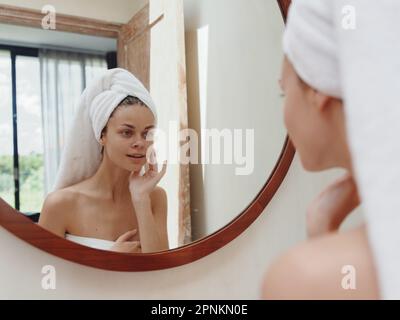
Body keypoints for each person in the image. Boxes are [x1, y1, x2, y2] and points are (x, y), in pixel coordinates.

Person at [263, 0, 400, 299]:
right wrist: (322, 229)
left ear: (316, 91)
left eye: (282, 92)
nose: (284, 109)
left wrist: (319, 244)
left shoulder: (301, 278)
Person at [38, 68, 169, 254]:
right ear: (102, 135)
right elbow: (44, 278)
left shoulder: (155, 198)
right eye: (127, 132)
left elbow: (163, 275)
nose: (140, 143)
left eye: (147, 133)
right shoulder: (60, 204)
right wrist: (110, 261)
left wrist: (140, 200)